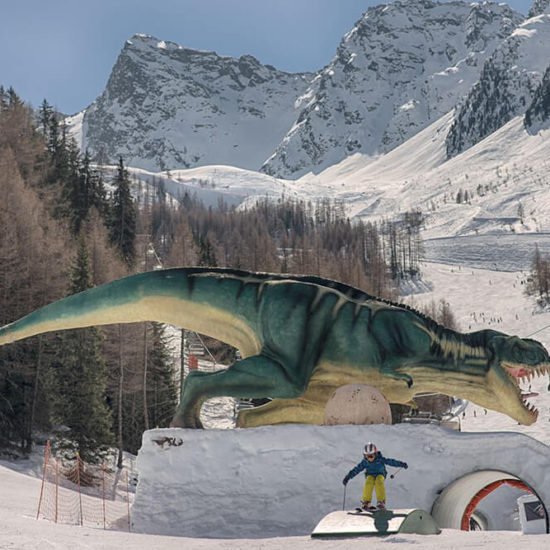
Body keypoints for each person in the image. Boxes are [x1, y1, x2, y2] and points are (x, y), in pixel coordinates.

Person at [342, 442, 408, 510]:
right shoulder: (365, 462)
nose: (369, 458)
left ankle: (381, 501)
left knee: (379, 482)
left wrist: (401, 464)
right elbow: (356, 469)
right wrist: (348, 477)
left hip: (380, 474)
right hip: (370, 475)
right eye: (367, 456)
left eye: (371, 456)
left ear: (375, 454)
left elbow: (391, 462)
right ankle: (366, 502)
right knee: (369, 482)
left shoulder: (380, 459)